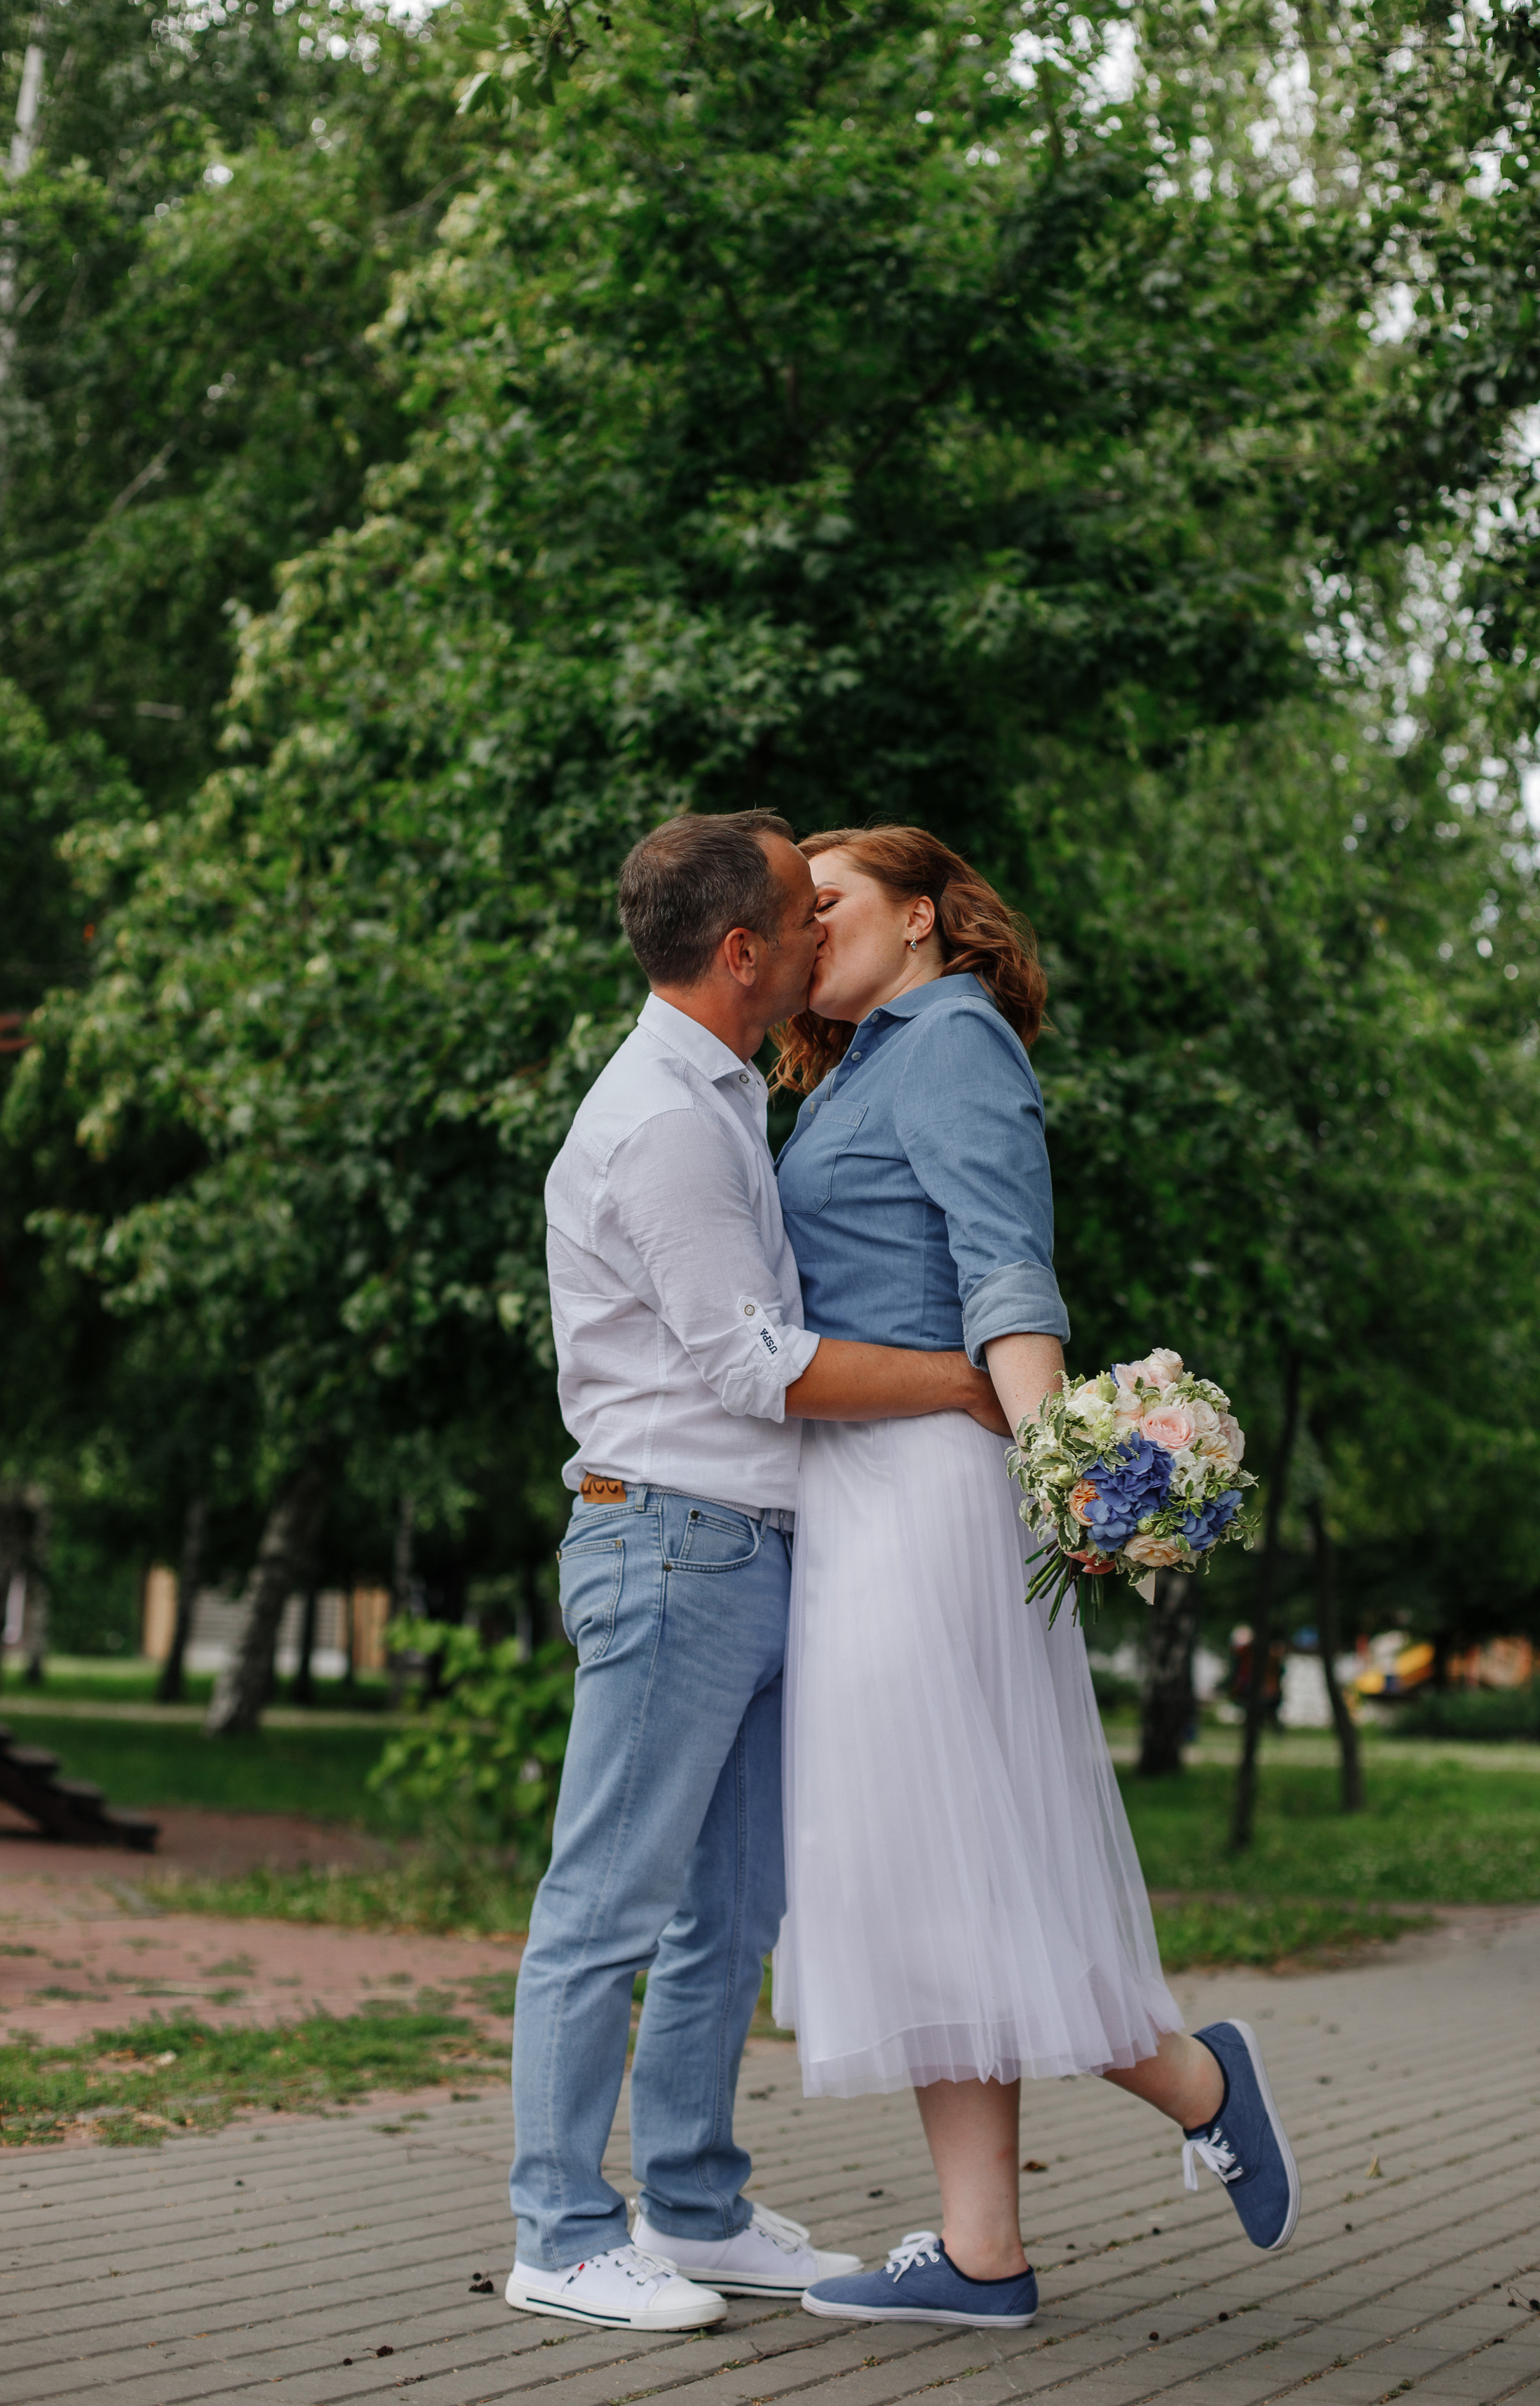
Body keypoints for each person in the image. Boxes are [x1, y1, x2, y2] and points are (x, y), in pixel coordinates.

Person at [769, 825, 1299, 2331]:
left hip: (929, 1500)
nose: (803, 932)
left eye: (829, 905)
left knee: (950, 1863)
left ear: (923, 916)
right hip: (860, 1491)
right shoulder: (865, 1058)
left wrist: (1056, 1463)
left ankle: (1197, 2078)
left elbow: (1005, 1266)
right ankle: (981, 2253)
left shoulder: (948, 1043)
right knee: (921, 1873)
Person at [508, 809, 1009, 2335]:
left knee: (727, 1915)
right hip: (669, 1540)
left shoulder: (723, 1089)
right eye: (802, 917)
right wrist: (958, 1385)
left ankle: (697, 2206)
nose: (821, 936)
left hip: (741, 1548)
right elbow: (753, 1363)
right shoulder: (661, 1116)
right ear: (743, 954)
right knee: (607, 1900)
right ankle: (561, 2229)